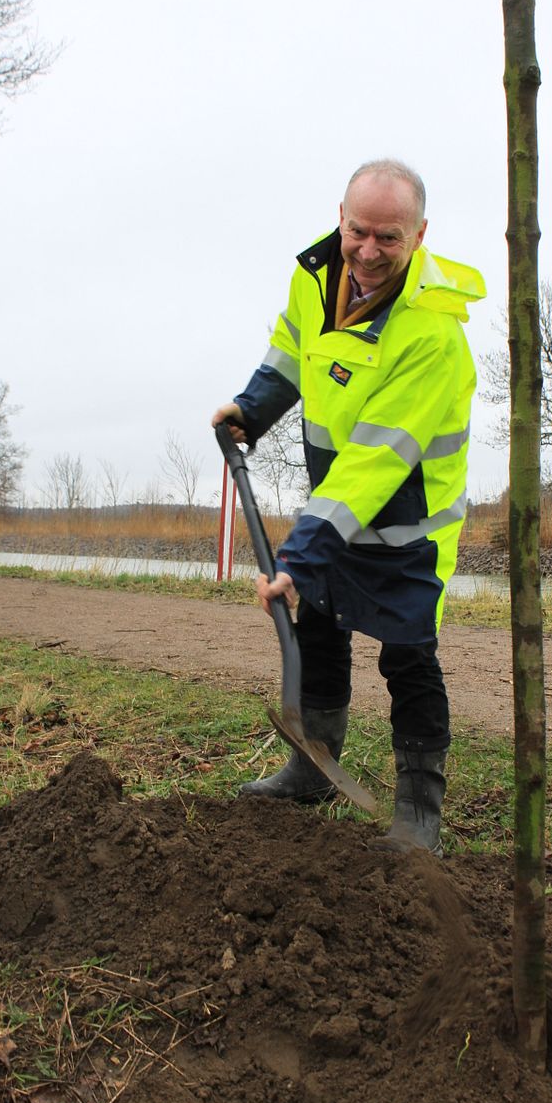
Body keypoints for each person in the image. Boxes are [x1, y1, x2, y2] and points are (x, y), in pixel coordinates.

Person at [212, 159, 485, 854]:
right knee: (320, 630)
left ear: (419, 235)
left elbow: (372, 466)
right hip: (335, 503)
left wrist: (298, 555)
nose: (367, 250)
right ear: (341, 217)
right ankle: (311, 769)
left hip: (406, 521)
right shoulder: (315, 276)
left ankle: (419, 812)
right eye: (358, 230)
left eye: (388, 238)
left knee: (408, 656)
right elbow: (289, 353)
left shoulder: (432, 335)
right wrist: (254, 407)